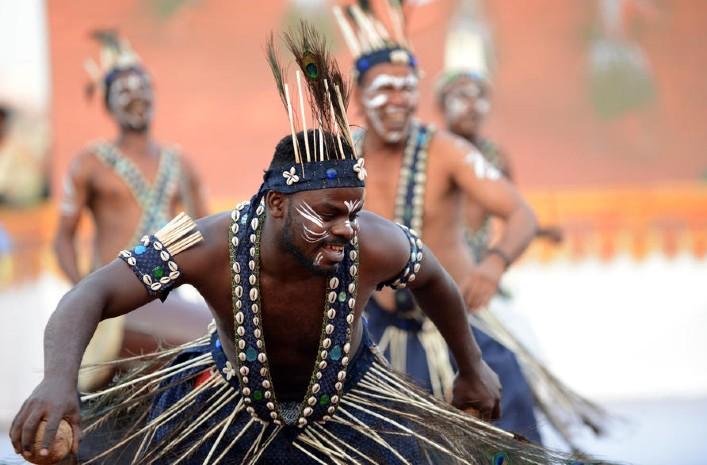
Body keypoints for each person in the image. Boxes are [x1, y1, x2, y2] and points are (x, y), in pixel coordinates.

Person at [7, 26, 582, 465]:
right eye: (327, 214)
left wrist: (472, 364)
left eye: (354, 212)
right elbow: (93, 291)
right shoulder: (208, 242)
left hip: (352, 406)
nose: (345, 228)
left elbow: (433, 278)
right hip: (232, 414)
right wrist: (59, 378)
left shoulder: (372, 240)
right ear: (277, 204)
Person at [334, 3, 604, 444]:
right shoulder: (341, 156)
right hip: (374, 330)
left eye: (407, 89)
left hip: (457, 328)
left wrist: (493, 264)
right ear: (360, 96)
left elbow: (521, 213)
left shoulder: (446, 151)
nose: (398, 100)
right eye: (385, 89)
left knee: (505, 391)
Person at [434, 1, 607, 449]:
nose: (471, 106)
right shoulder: (429, 153)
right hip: (434, 288)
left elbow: (514, 209)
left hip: (480, 288)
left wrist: (523, 242)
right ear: (442, 105)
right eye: (460, 96)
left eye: (479, 97)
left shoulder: (491, 157)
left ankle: (552, 444)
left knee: (522, 357)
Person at [53, 31, 210, 388]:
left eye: (142, 88)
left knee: (218, 337)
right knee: (207, 337)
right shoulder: (90, 163)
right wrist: (85, 295)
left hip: (170, 292)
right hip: (114, 300)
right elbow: (62, 237)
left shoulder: (180, 163)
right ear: (108, 103)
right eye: (124, 91)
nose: (136, 97)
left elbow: (206, 235)